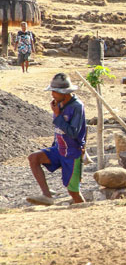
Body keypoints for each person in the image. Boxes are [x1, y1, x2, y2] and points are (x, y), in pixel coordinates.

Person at [27, 73, 86, 205]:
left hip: (72, 152)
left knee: (74, 192)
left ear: (64, 93)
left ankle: (85, 210)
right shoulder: (59, 104)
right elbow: (58, 131)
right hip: (59, 149)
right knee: (34, 158)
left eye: (55, 92)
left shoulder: (77, 107)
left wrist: (58, 116)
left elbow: (73, 133)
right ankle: (47, 196)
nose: (52, 94)